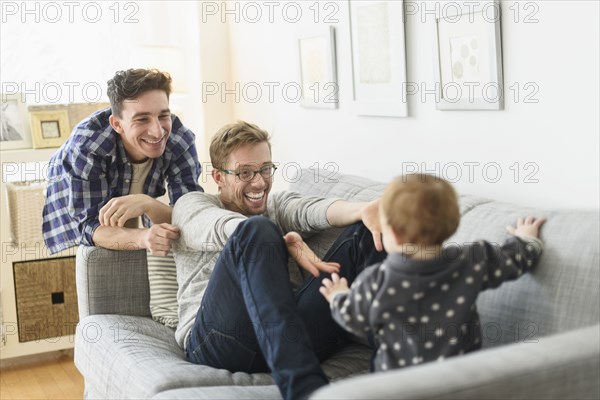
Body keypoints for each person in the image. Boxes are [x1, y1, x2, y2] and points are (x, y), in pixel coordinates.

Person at [171, 121, 387, 400]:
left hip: (290, 336)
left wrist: (363, 209)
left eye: (265, 169)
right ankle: (303, 388)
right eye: (244, 173)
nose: (259, 182)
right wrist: (280, 242)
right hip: (219, 342)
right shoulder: (192, 205)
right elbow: (222, 227)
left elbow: (314, 210)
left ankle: (396, 361)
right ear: (218, 177)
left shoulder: (278, 207)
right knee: (257, 229)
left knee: (366, 230)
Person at [319, 174, 546, 372]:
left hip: (394, 388)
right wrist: (527, 238)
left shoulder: (376, 281)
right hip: (457, 383)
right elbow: (515, 259)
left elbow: (353, 318)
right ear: (452, 225)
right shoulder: (472, 260)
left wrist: (337, 295)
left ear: (394, 235)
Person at [42, 68, 203, 255]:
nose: (158, 132)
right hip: (75, 190)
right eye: (142, 119)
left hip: (133, 186)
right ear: (117, 124)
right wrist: (142, 237)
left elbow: (191, 214)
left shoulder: (180, 140)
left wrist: (147, 204)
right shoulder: (87, 146)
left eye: (163, 116)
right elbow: (89, 226)